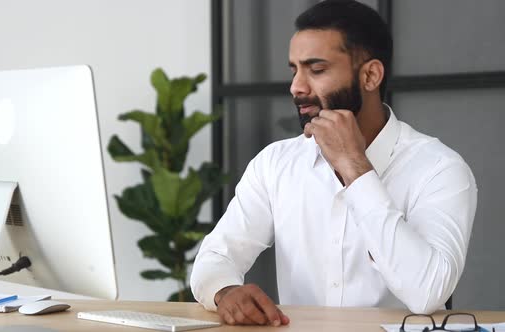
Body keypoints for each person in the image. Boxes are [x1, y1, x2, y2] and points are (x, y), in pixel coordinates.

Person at [190, 0, 478, 327]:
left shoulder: (439, 169)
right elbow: (214, 258)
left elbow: (428, 292)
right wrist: (226, 291)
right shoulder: (275, 164)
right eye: (294, 69)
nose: (296, 87)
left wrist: (356, 168)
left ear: (370, 75)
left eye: (316, 70)